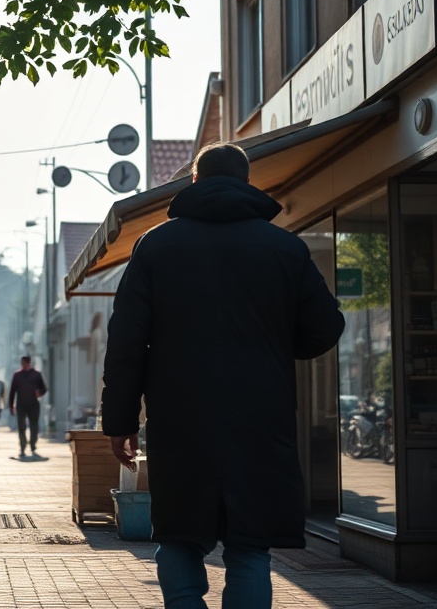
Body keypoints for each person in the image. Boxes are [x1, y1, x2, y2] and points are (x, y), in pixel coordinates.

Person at [103, 142, 345, 609]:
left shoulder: (156, 245)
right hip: (260, 417)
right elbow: (326, 327)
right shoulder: (285, 248)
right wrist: (276, 347)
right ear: (248, 183)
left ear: (194, 181)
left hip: (181, 418)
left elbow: (126, 343)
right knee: (250, 547)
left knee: (178, 535)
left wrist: (120, 422)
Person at [9, 355, 47, 456]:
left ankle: (33, 444)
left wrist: (40, 393)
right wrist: (11, 406)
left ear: (29, 363)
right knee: (21, 426)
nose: (23, 365)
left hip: (33, 404)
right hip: (21, 404)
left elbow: (44, 388)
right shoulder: (17, 375)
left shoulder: (36, 375)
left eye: (24, 363)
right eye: (22, 363)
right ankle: (22, 445)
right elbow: (12, 391)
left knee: (34, 426)